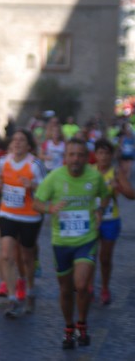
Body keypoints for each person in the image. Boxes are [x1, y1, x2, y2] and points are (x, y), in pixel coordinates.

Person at [33, 138, 110, 350]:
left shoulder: (95, 177)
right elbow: (36, 202)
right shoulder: (54, 177)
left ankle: (82, 324)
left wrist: (100, 210)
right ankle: (69, 327)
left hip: (86, 240)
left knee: (82, 285)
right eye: (72, 155)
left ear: (87, 158)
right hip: (61, 242)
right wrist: (50, 209)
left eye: (80, 155)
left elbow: (105, 196)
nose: (76, 159)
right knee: (66, 290)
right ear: (65, 157)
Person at [0, 130, 46, 318]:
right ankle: (12, 297)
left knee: (27, 257)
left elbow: (46, 189)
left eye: (21, 140)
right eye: (15, 140)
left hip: (29, 216)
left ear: (29, 145)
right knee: (7, 255)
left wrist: (32, 186)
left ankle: (30, 290)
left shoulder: (35, 164)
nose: (17, 143)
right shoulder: (2, 161)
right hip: (7, 213)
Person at [93, 138, 135, 305]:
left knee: (105, 257)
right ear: (95, 155)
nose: (103, 157)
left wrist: (120, 187)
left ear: (111, 156)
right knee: (88, 257)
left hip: (110, 220)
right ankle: (87, 287)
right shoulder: (89, 171)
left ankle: (104, 287)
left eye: (106, 153)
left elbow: (132, 194)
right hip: (91, 220)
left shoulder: (116, 173)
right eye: (100, 153)